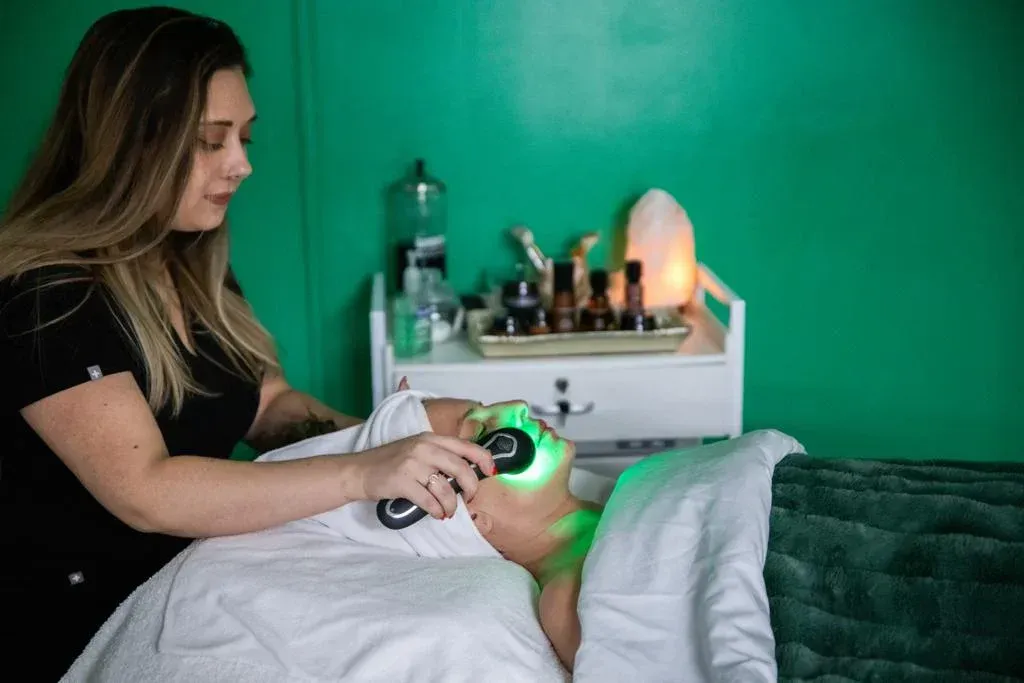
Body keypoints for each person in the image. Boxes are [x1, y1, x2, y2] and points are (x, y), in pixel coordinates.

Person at [0, 8, 496, 676]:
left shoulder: (187, 258)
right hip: (87, 630)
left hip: (194, 585)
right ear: (131, 143)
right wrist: (362, 469)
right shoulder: (41, 294)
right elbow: (146, 490)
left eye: (245, 138)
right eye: (212, 140)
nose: (241, 165)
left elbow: (267, 406)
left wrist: (394, 434)